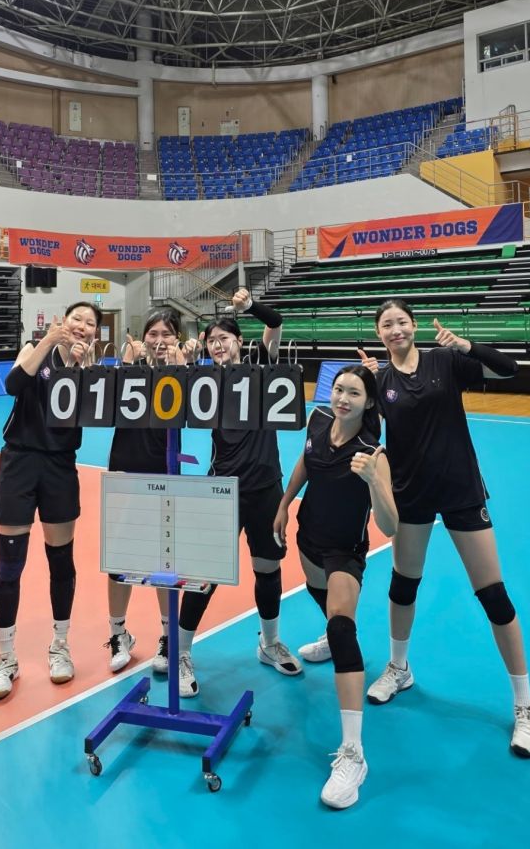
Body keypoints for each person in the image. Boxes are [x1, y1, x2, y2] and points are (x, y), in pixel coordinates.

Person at [338, 298, 530, 757]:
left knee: (494, 595)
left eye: (401, 322)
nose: (395, 329)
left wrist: (467, 345)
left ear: (414, 326)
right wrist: (358, 389)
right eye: (386, 324)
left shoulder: (445, 361)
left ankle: (526, 704)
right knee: (403, 585)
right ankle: (399, 667)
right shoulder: (380, 380)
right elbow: (360, 428)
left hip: (461, 489)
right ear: (379, 333)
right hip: (411, 494)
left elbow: (509, 369)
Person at [273, 364, 398, 810]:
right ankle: (328, 630)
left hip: (345, 550)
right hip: (308, 537)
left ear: (369, 403)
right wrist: (284, 504)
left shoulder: (373, 452)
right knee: (321, 598)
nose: (343, 398)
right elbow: (306, 461)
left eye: (354, 393)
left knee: (343, 628)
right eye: (339, 389)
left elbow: (390, 524)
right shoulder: (318, 419)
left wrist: (373, 481)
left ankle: (353, 754)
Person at [176, 288, 302, 699]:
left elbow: (275, 323)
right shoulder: (204, 381)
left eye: (224, 338)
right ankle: (181, 653)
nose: (218, 345)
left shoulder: (261, 369)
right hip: (222, 488)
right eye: (211, 341)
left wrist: (250, 307)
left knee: (267, 567)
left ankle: (269, 643)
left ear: (239, 341)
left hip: (265, 488)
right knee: (205, 575)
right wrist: (186, 359)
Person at [0, 302, 100, 700]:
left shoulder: (89, 366)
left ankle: (60, 646)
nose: (82, 326)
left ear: (95, 332)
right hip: (19, 462)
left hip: (60, 467)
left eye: (90, 322)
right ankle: (6, 659)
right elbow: (13, 385)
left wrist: (83, 370)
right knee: (9, 565)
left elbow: (91, 413)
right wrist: (48, 342)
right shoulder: (34, 348)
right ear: (63, 322)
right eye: (76, 319)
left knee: (61, 561)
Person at [104, 308, 198, 675]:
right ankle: (118, 633)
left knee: (164, 561)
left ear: (177, 338)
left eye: (166, 334)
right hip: (126, 472)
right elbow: (108, 408)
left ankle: (167, 636)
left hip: (165, 472)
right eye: (153, 334)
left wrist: (184, 369)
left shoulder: (183, 373)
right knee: (119, 560)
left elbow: (196, 413)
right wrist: (126, 365)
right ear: (143, 338)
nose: (159, 341)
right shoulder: (127, 371)